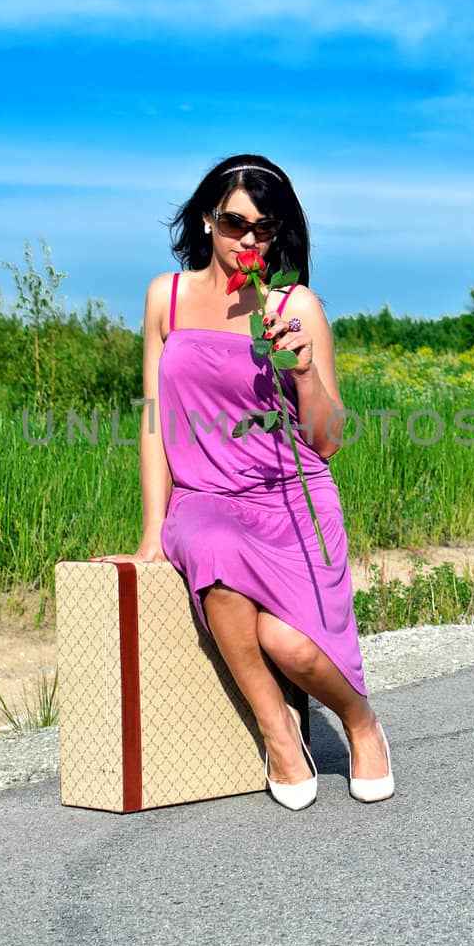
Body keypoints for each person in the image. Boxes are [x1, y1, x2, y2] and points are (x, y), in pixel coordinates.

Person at [91, 153, 394, 810]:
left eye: (264, 228)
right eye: (234, 223)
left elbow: (327, 441)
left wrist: (305, 368)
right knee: (210, 550)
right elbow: (152, 422)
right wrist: (151, 534)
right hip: (206, 501)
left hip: (293, 501)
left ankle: (361, 721)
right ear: (206, 220)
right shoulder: (164, 298)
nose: (248, 240)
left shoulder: (293, 307)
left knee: (291, 645)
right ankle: (279, 731)